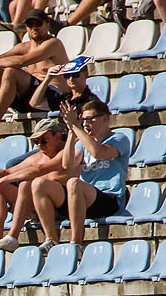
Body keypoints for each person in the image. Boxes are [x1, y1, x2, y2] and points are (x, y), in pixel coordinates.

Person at [0, 10, 65, 135]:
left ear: (47, 25)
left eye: (38, 24)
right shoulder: (24, 47)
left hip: (54, 97)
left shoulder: (53, 44)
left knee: (11, 72)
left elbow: (21, 61)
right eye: (30, 25)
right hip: (31, 98)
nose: (34, 28)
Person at [0, 115, 74, 244]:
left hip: (62, 205)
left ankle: (13, 237)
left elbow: (39, 169)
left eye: (44, 140)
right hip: (37, 206)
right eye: (36, 142)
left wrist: (5, 179)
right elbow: (6, 171)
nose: (40, 145)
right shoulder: (37, 156)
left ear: (57, 136)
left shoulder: (67, 152)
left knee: (26, 184)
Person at [52, 96, 124, 243]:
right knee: (39, 184)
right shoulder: (82, 142)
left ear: (105, 118)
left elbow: (98, 152)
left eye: (90, 119)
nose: (86, 124)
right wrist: (72, 131)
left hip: (110, 199)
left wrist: (77, 128)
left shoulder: (119, 139)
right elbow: (67, 165)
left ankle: (76, 242)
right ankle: (50, 239)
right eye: (83, 120)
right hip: (86, 199)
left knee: (73, 183)